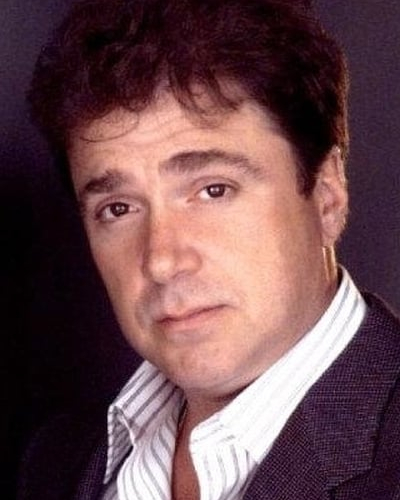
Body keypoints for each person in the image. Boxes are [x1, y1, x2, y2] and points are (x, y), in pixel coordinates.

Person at [18, 0, 400, 498]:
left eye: (213, 190)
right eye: (118, 208)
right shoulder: (56, 463)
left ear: (327, 196)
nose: (161, 260)